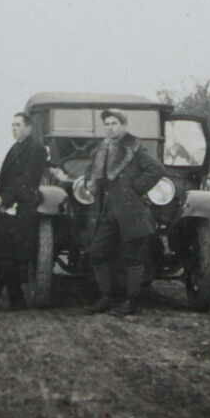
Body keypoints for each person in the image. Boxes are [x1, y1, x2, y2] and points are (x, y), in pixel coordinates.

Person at [82, 109, 167, 317]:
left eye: (114, 123)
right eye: (107, 124)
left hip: (131, 210)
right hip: (107, 209)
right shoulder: (101, 149)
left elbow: (157, 170)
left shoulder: (134, 148)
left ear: (123, 126)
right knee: (97, 252)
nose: (110, 128)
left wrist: (135, 188)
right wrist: (89, 183)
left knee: (132, 258)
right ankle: (106, 297)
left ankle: (131, 302)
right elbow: (90, 172)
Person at [0, 111, 47, 310]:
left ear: (29, 128)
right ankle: (8, 299)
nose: (14, 129)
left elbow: (26, 180)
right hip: (8, 206)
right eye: (12, 125)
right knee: (2, 255)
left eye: (18, 125)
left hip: (22, 207)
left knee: (6, 255)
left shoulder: (36, 149)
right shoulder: (16, 148)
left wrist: (3, 198)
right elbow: (4, 179)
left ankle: (0, 299)